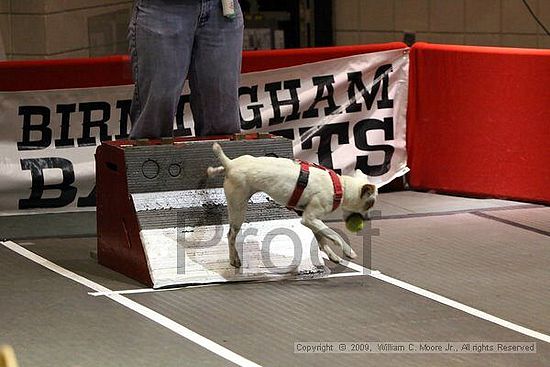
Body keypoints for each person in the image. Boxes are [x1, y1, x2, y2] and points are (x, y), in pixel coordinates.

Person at [128, 0, 244, 139]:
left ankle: (217, 160)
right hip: (162, 8)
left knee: (223, 120)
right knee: (155, 118)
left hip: (222, 8)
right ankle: (150, 161)